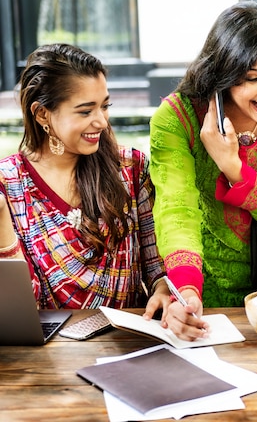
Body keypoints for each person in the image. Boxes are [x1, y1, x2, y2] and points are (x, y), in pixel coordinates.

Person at [149, 0, 257, 339]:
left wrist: (234, 169)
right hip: (207, 302)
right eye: (253, 78)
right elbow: (176, 211)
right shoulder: (177, 118)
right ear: (223, 74)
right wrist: (186, 293)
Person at [0, 43, 170, 312]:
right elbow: (19, 308)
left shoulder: (130, 168)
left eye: (105, 106)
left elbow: (157, 268)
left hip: (130, 341)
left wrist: (163, 291)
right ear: (42, 113)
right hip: (50, 351)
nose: (102, 121)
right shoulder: (9, 184)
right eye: (85, 111)